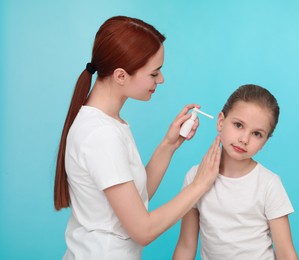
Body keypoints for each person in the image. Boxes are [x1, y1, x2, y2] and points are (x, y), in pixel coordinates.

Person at [54, 16, 221, 259]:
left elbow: (136, 200)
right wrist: (200, 185)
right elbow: (143, 229)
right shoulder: (101, 135)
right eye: (154, 73)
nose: (161, 80)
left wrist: (169, 145)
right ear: (121, 76)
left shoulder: (109, 122)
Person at [173, 84, 298, 260]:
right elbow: (186, 246)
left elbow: (286, 254)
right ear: (221, 122)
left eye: (257, 134)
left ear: (265, 142)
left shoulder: (269, 184)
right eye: (238, 125)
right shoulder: (195, 177)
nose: (244, 139)